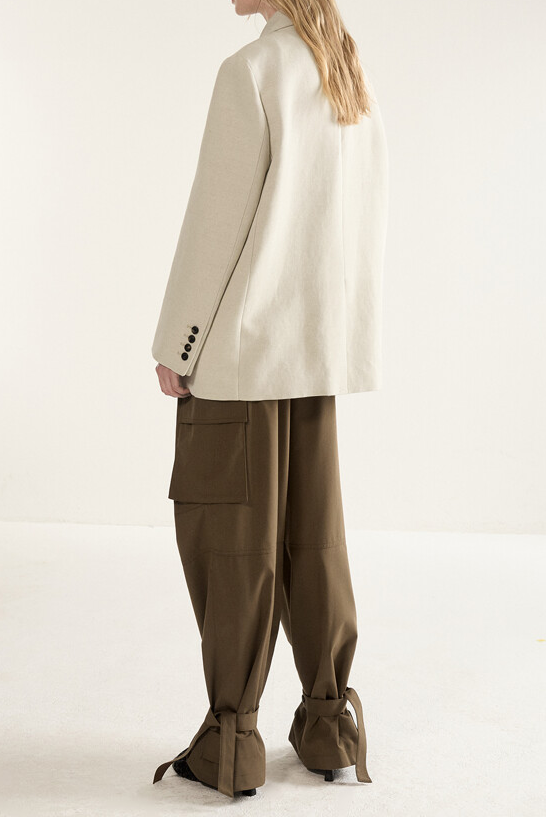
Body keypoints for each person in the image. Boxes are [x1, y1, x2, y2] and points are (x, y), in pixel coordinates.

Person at [152, 0, 388, 799]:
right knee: (312, 539)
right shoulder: (345, 70)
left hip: (243, 355)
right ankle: (328, 726)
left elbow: (215, 225)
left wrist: (178, 344)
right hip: (315, 355)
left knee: (232, 544)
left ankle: (231, 741)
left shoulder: (251, 71)